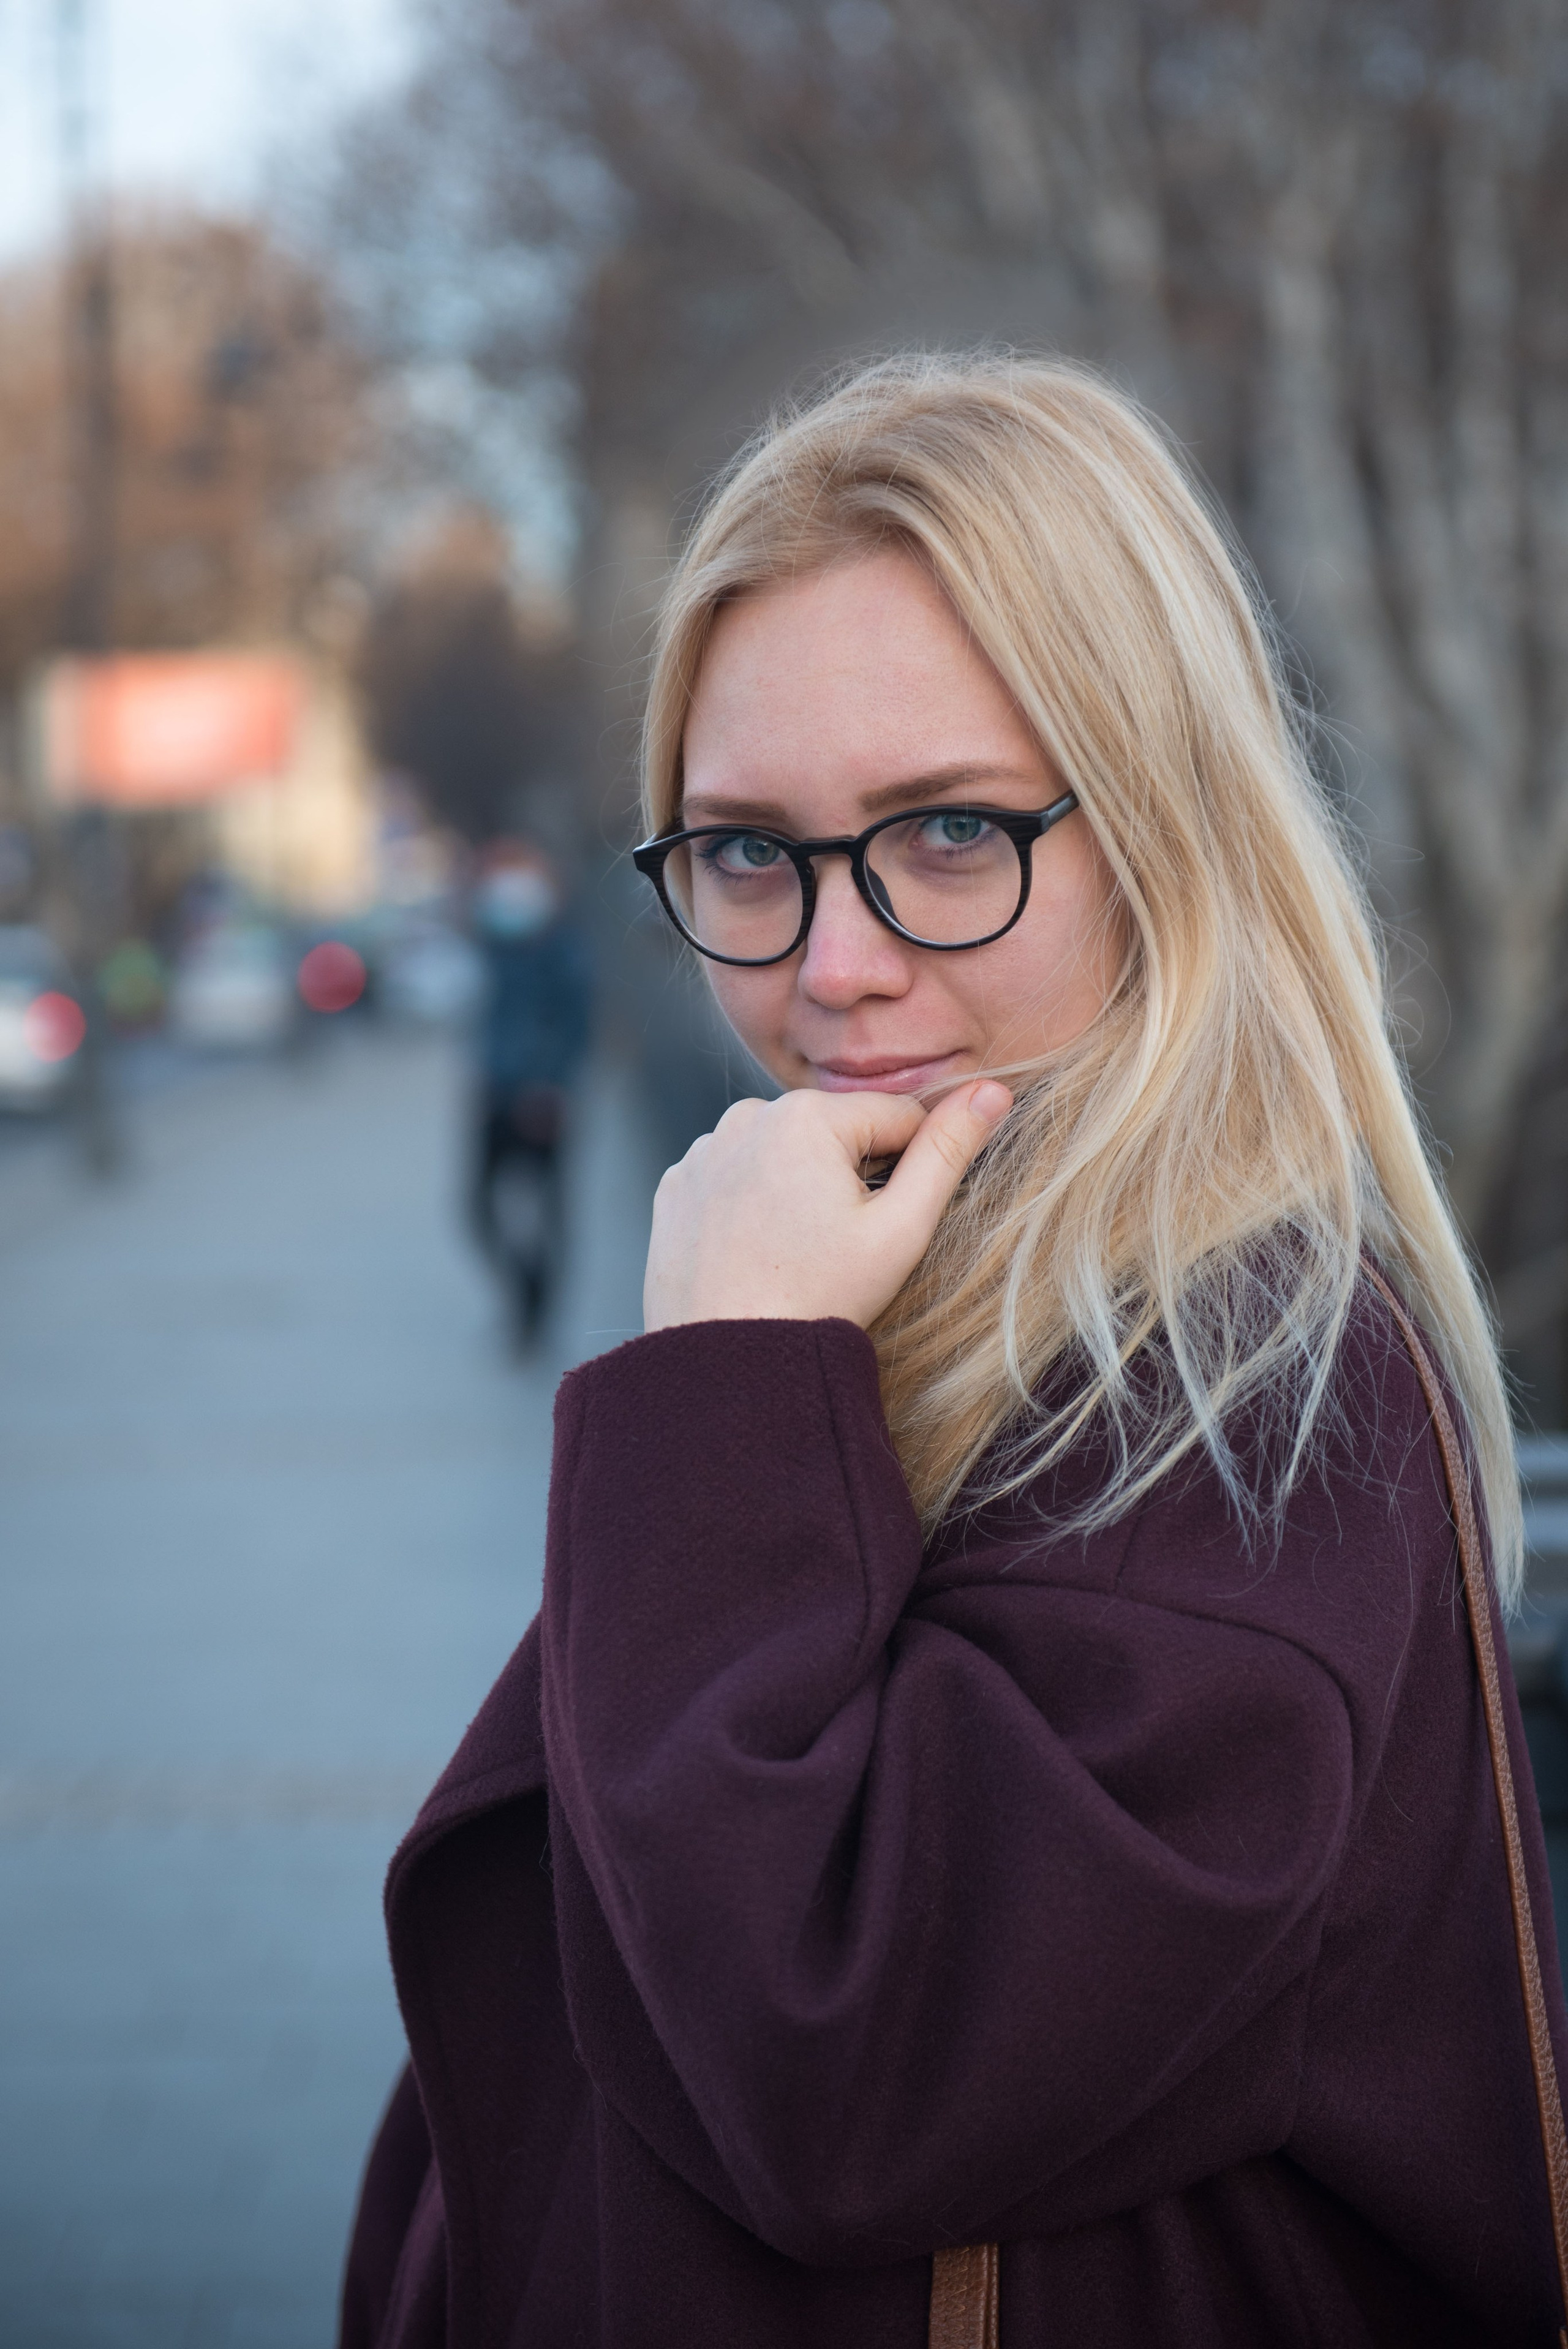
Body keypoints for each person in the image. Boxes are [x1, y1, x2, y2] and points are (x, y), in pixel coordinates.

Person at [341, 355, 1567, 2345]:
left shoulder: (1248, 1389)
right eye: (746, 850)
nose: (836, 963)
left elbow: (844, 2068)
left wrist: (727, 1377)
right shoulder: (924, 1290)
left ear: (1162, 826)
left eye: (945, 833)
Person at [467, 841, 594, 1344]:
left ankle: (535, 1317)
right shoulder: (495, 943)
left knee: (546, 1210)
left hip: (542, 1098)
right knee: (479, 1206)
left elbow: (576, 1026)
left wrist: (553, 1086)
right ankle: (526, 1297)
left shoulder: (564, 950)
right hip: (495, 1092)